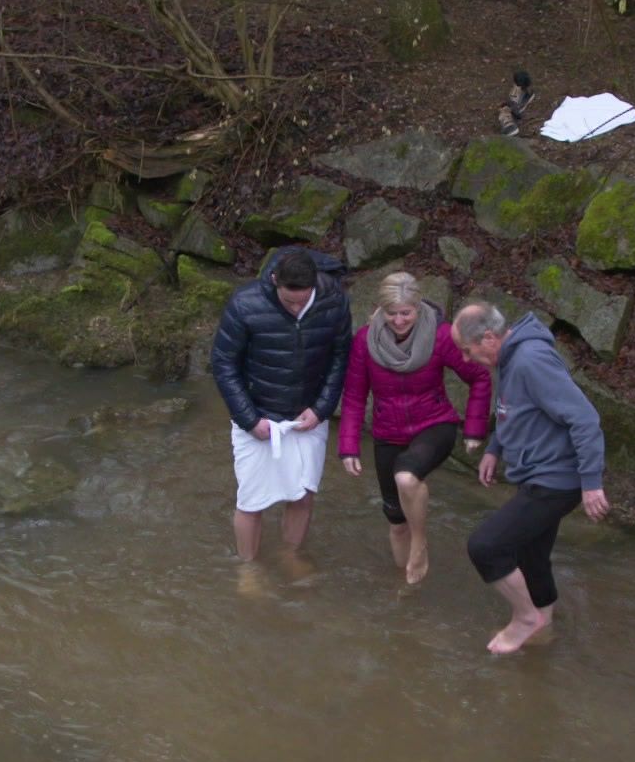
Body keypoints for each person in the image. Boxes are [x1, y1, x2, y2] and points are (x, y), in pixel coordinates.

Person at [451, 302, 608, 654]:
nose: (465, 358)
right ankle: (544, 628)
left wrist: (591, 482)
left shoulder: (530, 360)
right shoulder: (511, 358)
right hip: (542, 474)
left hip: (556, 480)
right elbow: (516, 410)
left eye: (467, 349)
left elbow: (584, 419)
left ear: (489, 338)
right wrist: (494, 447)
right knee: (532, 554)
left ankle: (524, 618)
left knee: (486, 547)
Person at [338, 273, 492, 585]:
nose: (398, 320)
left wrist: (474, 429)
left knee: (407, 477)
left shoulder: (442, 336)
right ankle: (407, 586)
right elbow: (354, 396)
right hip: (387, 432)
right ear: (380, 310)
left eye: (405, 313)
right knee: (396, 522)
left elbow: (480, 377)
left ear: (418, 308)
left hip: (434, 424)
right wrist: (348, 446)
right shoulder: (365, 341)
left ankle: (420, 546)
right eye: (391, 313)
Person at [211, 247, 351, 562]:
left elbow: (341, 356)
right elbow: (223, 364)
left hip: (308, 415)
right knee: (251, 501)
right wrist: (249, 419)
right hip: (258, 413)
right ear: (275, 280)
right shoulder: (244, 304)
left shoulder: (334, 301)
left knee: (302, 496)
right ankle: (248, 569)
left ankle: (290, 557)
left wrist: (322, 408)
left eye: (304, 300)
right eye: (289, 302)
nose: (297, 308)